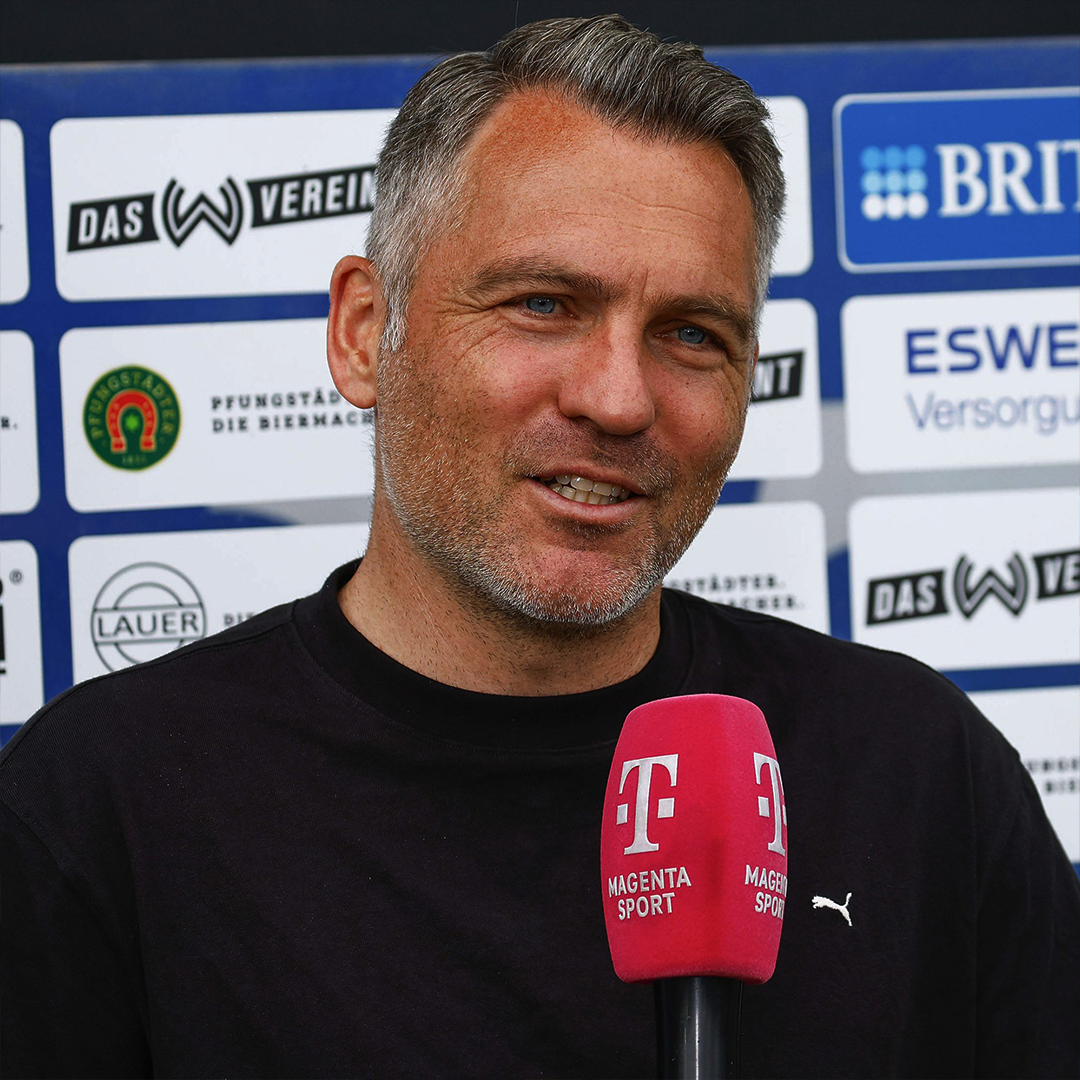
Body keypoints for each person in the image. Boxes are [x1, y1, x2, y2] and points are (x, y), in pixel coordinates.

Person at [1, 15, 1077, 1080]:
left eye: (691, 334)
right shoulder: (99, 807)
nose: (618, 399)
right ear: (365, 333)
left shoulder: (921, 772)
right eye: (544, 304)